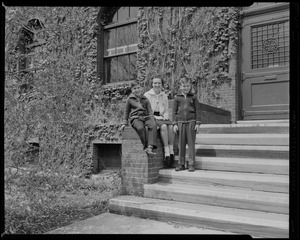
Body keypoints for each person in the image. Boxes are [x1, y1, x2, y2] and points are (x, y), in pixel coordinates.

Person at [119, 80, 157, 155]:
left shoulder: (145, 99)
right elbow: (126, 112)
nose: (137, 90)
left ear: (141, 88)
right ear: (132, 90)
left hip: (145, 117)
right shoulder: (130, 99)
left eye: (138, 88)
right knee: (140, 128)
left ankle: (150, 147)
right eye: (135, 88)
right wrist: (124, 123)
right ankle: (145, 146)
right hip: (135, 118)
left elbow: (150, 111)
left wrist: (152, 120)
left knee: (153, 126)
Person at [144, 77, 175, 167]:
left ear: (161, 84)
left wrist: (165, 117)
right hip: (152, 117)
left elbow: (165, 110)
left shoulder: (164, 95)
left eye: (159, 83)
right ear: (152, 84)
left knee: (171, 126)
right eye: (155, 83)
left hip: (161, 117)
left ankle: (171, 149)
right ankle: (166, 151)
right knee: (164, 127)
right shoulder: (147, 95)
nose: (157, 85)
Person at [172, 77, 201, 172]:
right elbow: (174, 112)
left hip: (191, 122)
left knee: (191, 144)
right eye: (184, 86)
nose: (186, 88)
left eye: (188, 86)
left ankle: (191, 164)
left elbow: (198, 110)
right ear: (180, 86)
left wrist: (197, 123)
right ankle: (181, 164)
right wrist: (174, 123)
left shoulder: (193, 97)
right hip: (180, 123)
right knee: (181, 145)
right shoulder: (177, 98)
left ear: (190, 86)